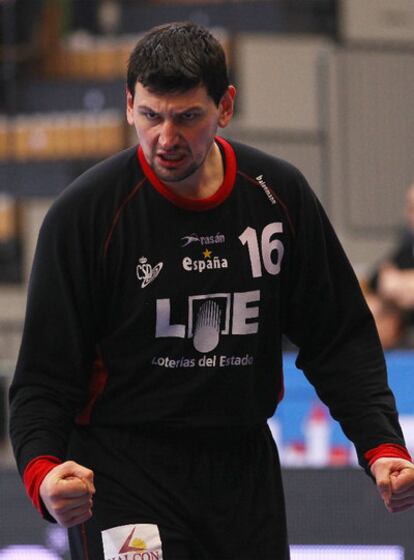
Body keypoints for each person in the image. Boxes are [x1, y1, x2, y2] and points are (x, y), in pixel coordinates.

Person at [9, 21, 414, 560]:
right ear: (129, 105)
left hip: (241, 471)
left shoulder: (277, 196)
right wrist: (42, 471)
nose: (166, 138)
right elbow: (42, 378)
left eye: (187, 118)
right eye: (150, 115)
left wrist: (381, 445)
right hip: (124, 474)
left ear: (225, 107)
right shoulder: (84, 216)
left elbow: (338, 337)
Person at [367, 182, 414, 347]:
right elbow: (378, 279)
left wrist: (404, 283)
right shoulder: (408, 243)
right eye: (409, 208)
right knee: (370, 308)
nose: (409, 215)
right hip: (401, 316)